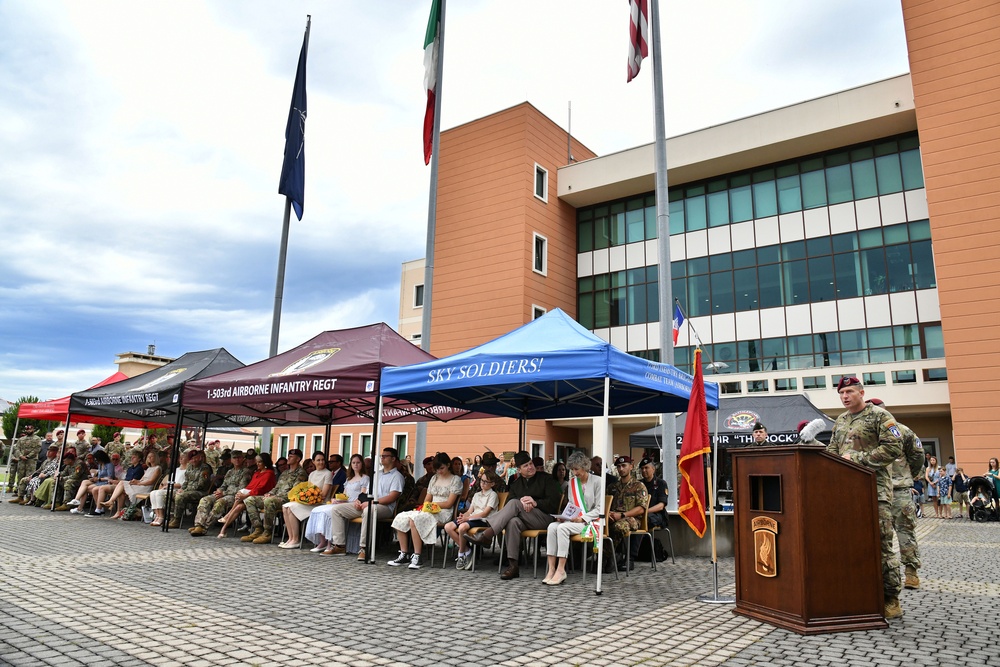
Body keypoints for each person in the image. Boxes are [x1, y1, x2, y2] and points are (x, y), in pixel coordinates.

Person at [825, 376, 904, 619]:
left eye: (849, 391)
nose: (845, 396)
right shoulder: (840, 421)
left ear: (861, 392)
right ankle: (856, 592)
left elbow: (894, 447)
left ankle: (890, 598)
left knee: (881, 544)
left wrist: (857, 460)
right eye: (841, 393)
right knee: (849, 544)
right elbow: (832, 451)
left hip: (875, 492)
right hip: (846, 493)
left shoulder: (880, 417)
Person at [467, 451, 562, 580]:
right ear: (518, 470)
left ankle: (487, 534)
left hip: (545, 518)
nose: (530, 467)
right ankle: (513, 566)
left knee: (515, 503)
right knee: (513, 522)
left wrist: (535, 503)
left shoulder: (546, 479)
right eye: (526, 466)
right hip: (524, 520)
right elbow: (508, 507)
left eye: (530, 464)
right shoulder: (516, 484)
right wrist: (522, 504)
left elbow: (554, 504)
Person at [869, 398, 925, 591]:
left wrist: (909, 476)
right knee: (877, 533)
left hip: (898, 488)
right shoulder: (865, 433)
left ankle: (911, 572)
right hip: (873, 488)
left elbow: (918, 455)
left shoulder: (902, 430)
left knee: (905, 530)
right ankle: (880, 572)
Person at [388, 452, 463, 570]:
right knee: (401, 517)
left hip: (443, 512)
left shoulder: (455, 480)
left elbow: (449, 503)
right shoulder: (434, 478)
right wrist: (427, 506)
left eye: (442, 468)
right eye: (437, 469)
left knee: (415, 519)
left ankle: (417, 556)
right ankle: (404, 553)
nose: (439, 471)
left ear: (448, 465)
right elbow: (428, 498)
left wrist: (432, 505)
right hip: (431, 510)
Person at [543, 451, 603, 585]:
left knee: (562, 529)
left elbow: (599, 509)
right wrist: (565, 516)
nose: (574, 472)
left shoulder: (598, 481)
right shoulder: (572, 483)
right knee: (552, 527)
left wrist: (583, 518)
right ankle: (551, 569)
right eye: (572, 469)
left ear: (585, 466)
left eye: (577, 469)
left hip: (591, 521)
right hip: (575, 520)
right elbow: (572, 506)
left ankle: (561, 570)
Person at [306, 454, 369, 554]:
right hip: (346, 503)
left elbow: (363, 495)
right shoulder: (349, 479)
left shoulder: (365, 478)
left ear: (362, 464)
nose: (356, 465)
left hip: (356, 504)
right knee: (320, 509)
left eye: (358, 462)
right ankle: (323, 541)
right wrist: (337, 499)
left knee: (331, 511)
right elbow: (344, 495)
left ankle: (332, 543)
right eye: (353, 463)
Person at [243, 449, 307, 545]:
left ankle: (267, 532)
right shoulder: (285, 473)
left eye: (291, 456)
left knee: (269, 501)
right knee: (249, 500)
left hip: (287, 499)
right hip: (275, 497)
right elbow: (276, 487)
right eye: (288, 455)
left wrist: (272, 497)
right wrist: (269, 493)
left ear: (298, 459)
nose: (288, 458)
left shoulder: (301, 473)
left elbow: (294, 491)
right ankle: (258, 529)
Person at [445, 469, 500, 570]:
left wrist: (467, 518)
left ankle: (461, 554)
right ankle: (467, 550)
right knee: (448, 526)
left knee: (462, 527)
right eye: (481, 480)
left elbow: (485, 513)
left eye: (485, 482)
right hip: (472, 518)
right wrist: (463, 517)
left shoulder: (493, 495)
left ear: (492, 484)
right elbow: (470, 510)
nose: (482, 483)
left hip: (483, 520)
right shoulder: (476, 494)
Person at [279, 451, 334, 549]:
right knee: (285, 506)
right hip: (309, 502)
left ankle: (296, 539)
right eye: (318, 460)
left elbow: (324, 494)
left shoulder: (328, 474)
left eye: (322, 460)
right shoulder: (312, 474)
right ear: (313, 461)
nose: (321, 462)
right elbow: (307, 489)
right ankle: (290, 538)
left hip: (320, 503)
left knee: (291, 507)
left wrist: (309, 498)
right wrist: (303, 497)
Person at [189, 450, 250, 536]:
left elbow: (241, 489)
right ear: (231, 460)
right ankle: (199, 524)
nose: (237, 460)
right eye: (234, 458)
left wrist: (223, 493)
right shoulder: (230, 472)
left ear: (242, 459)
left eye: (239, 457)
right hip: (224, 493)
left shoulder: (246, 472)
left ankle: (204, 527)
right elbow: (224, 485)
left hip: (234, 496)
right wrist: (220, 490)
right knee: (205, 500)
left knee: (219, 503)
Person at [217, 453, 276, 538]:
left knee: (239, 501)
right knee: (239, 507)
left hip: (262, 496)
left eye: (260, 462)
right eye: (257, 462)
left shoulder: (269, 473)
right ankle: (223, 529)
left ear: (265, 462)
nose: (257, 464)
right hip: (251, 495)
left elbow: (260, 488)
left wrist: (245, 495)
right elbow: (250, 486)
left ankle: (227, 519)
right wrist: (242, 493)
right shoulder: (257, 473)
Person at [608, 456, 648, 571]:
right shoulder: (612, 487)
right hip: (614, 517)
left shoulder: (638, 486)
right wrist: (609, 514)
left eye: (624, 465)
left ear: (631, 466)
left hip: (632, 519)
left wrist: (622, 515)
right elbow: (607, 504)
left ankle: (622, 557)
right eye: (619, 466)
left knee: (618, 526)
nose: (621, 469)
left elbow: (641, 508)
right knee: (600, 527)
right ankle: (608, 557)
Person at [100, 451, 161, 518]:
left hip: (146, 487)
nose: (149, 458)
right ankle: (118, 511)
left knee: (122, 483)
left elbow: (151, 481)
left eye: (151, 456)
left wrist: (138, 483)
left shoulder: (157, 468)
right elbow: (141, 479)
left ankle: (111, 501)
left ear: (156, 458)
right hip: (141, 484)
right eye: (148, 456)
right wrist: (136, 481)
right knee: (122, 492)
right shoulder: (149, 468)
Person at [167, 449, 213, 529]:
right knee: (168, 494)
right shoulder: (189, 467)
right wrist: (182, 489)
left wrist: (185, 490)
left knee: (180, 497)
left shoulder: (205, 468)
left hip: (200, 492)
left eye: (196, 458)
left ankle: (177, 520)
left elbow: (201, 484)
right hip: (188, 490)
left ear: (199, 458)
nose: (194, 460)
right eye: (192, 459)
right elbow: (186, 481)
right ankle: (171, 517)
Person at [149, 450, 189, 527]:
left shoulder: (187, 470)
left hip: (178, 489)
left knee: (159, 493)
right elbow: (171, 479)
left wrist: (171, 485)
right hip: (171, 487)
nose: (180, 459)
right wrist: (166, 484)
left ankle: (161, 516)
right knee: (153, 492)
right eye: (180, 458)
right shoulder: (177, 469)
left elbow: (183, 484)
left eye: (183, 458)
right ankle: (157, 515)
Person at [69, 450, 114, 515]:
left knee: (86, 489)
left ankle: (81, 507)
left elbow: (110, 477)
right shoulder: (100, 464)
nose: (96, 460)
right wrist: (93, 478)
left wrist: (99, 479)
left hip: (105, 482)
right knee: (85, 482)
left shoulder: (109, 465)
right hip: (99, 481)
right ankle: (76, 499)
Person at [6, 425, 42, 498]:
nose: (28, 431)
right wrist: (21, 456)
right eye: (27, 430)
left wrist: (28, 456)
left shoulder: (37, 439)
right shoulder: (21, 439)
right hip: (21, 460)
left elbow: (37, 449)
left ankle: (29, 494)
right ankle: (19, 493)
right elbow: (16, 448)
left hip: (31, 461)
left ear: (33, 430)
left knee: (29, 476)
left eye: (30, 429)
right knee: (20, 476)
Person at [638, 457, 669, 529]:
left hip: (656, 514)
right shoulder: (639, 484)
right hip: (641, 513)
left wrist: (645, 512)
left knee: (646, 519)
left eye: (646, 468)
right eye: (642, 468)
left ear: (653, 469)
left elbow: (661, 505)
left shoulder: (661, 483)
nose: (644, 470)